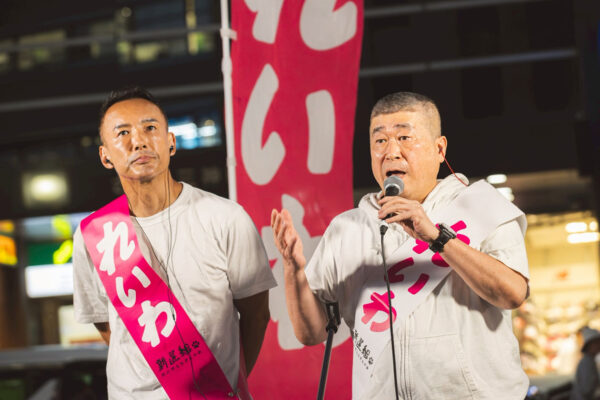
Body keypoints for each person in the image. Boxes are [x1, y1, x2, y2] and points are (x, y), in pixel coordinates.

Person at [271, 91, 530, 399]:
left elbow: (513, 293)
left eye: (405, 138)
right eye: (380, 141)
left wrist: (437, 238)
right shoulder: (347, 229)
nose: (391, 152)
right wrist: (294, 271)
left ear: (439, 149)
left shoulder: (480, 208)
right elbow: (311, 332)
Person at [73, 86, 276, 399]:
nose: (139, 141)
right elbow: (108, 326)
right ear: (105, 156)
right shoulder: (94, 235)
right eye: (123, 133)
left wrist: (222, 384)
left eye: (150, 128)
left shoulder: (224, 217)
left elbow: (257, 315)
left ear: (171, 142)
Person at [571, 326, 600, 400]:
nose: (599, 345)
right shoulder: (587, 363)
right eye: (596, 343)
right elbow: (587, 390)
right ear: (589, 346)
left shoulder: (590, 361)